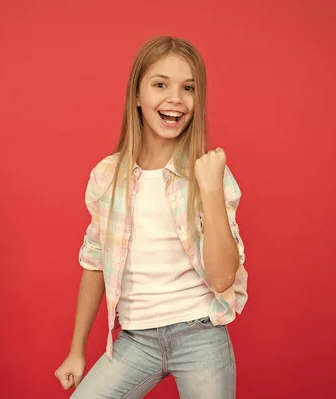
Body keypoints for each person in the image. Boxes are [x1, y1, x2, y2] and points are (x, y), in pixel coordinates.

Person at [54, 35, 249, 399]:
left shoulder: (210, 172)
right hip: (135, 339)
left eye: (188, 88)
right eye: (160, 84)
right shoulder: (107, 177)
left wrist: (209, 189)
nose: (175, 98)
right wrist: (76, 351)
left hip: (200, 334)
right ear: (137, 95)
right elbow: (94, 262)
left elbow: (224, 276)